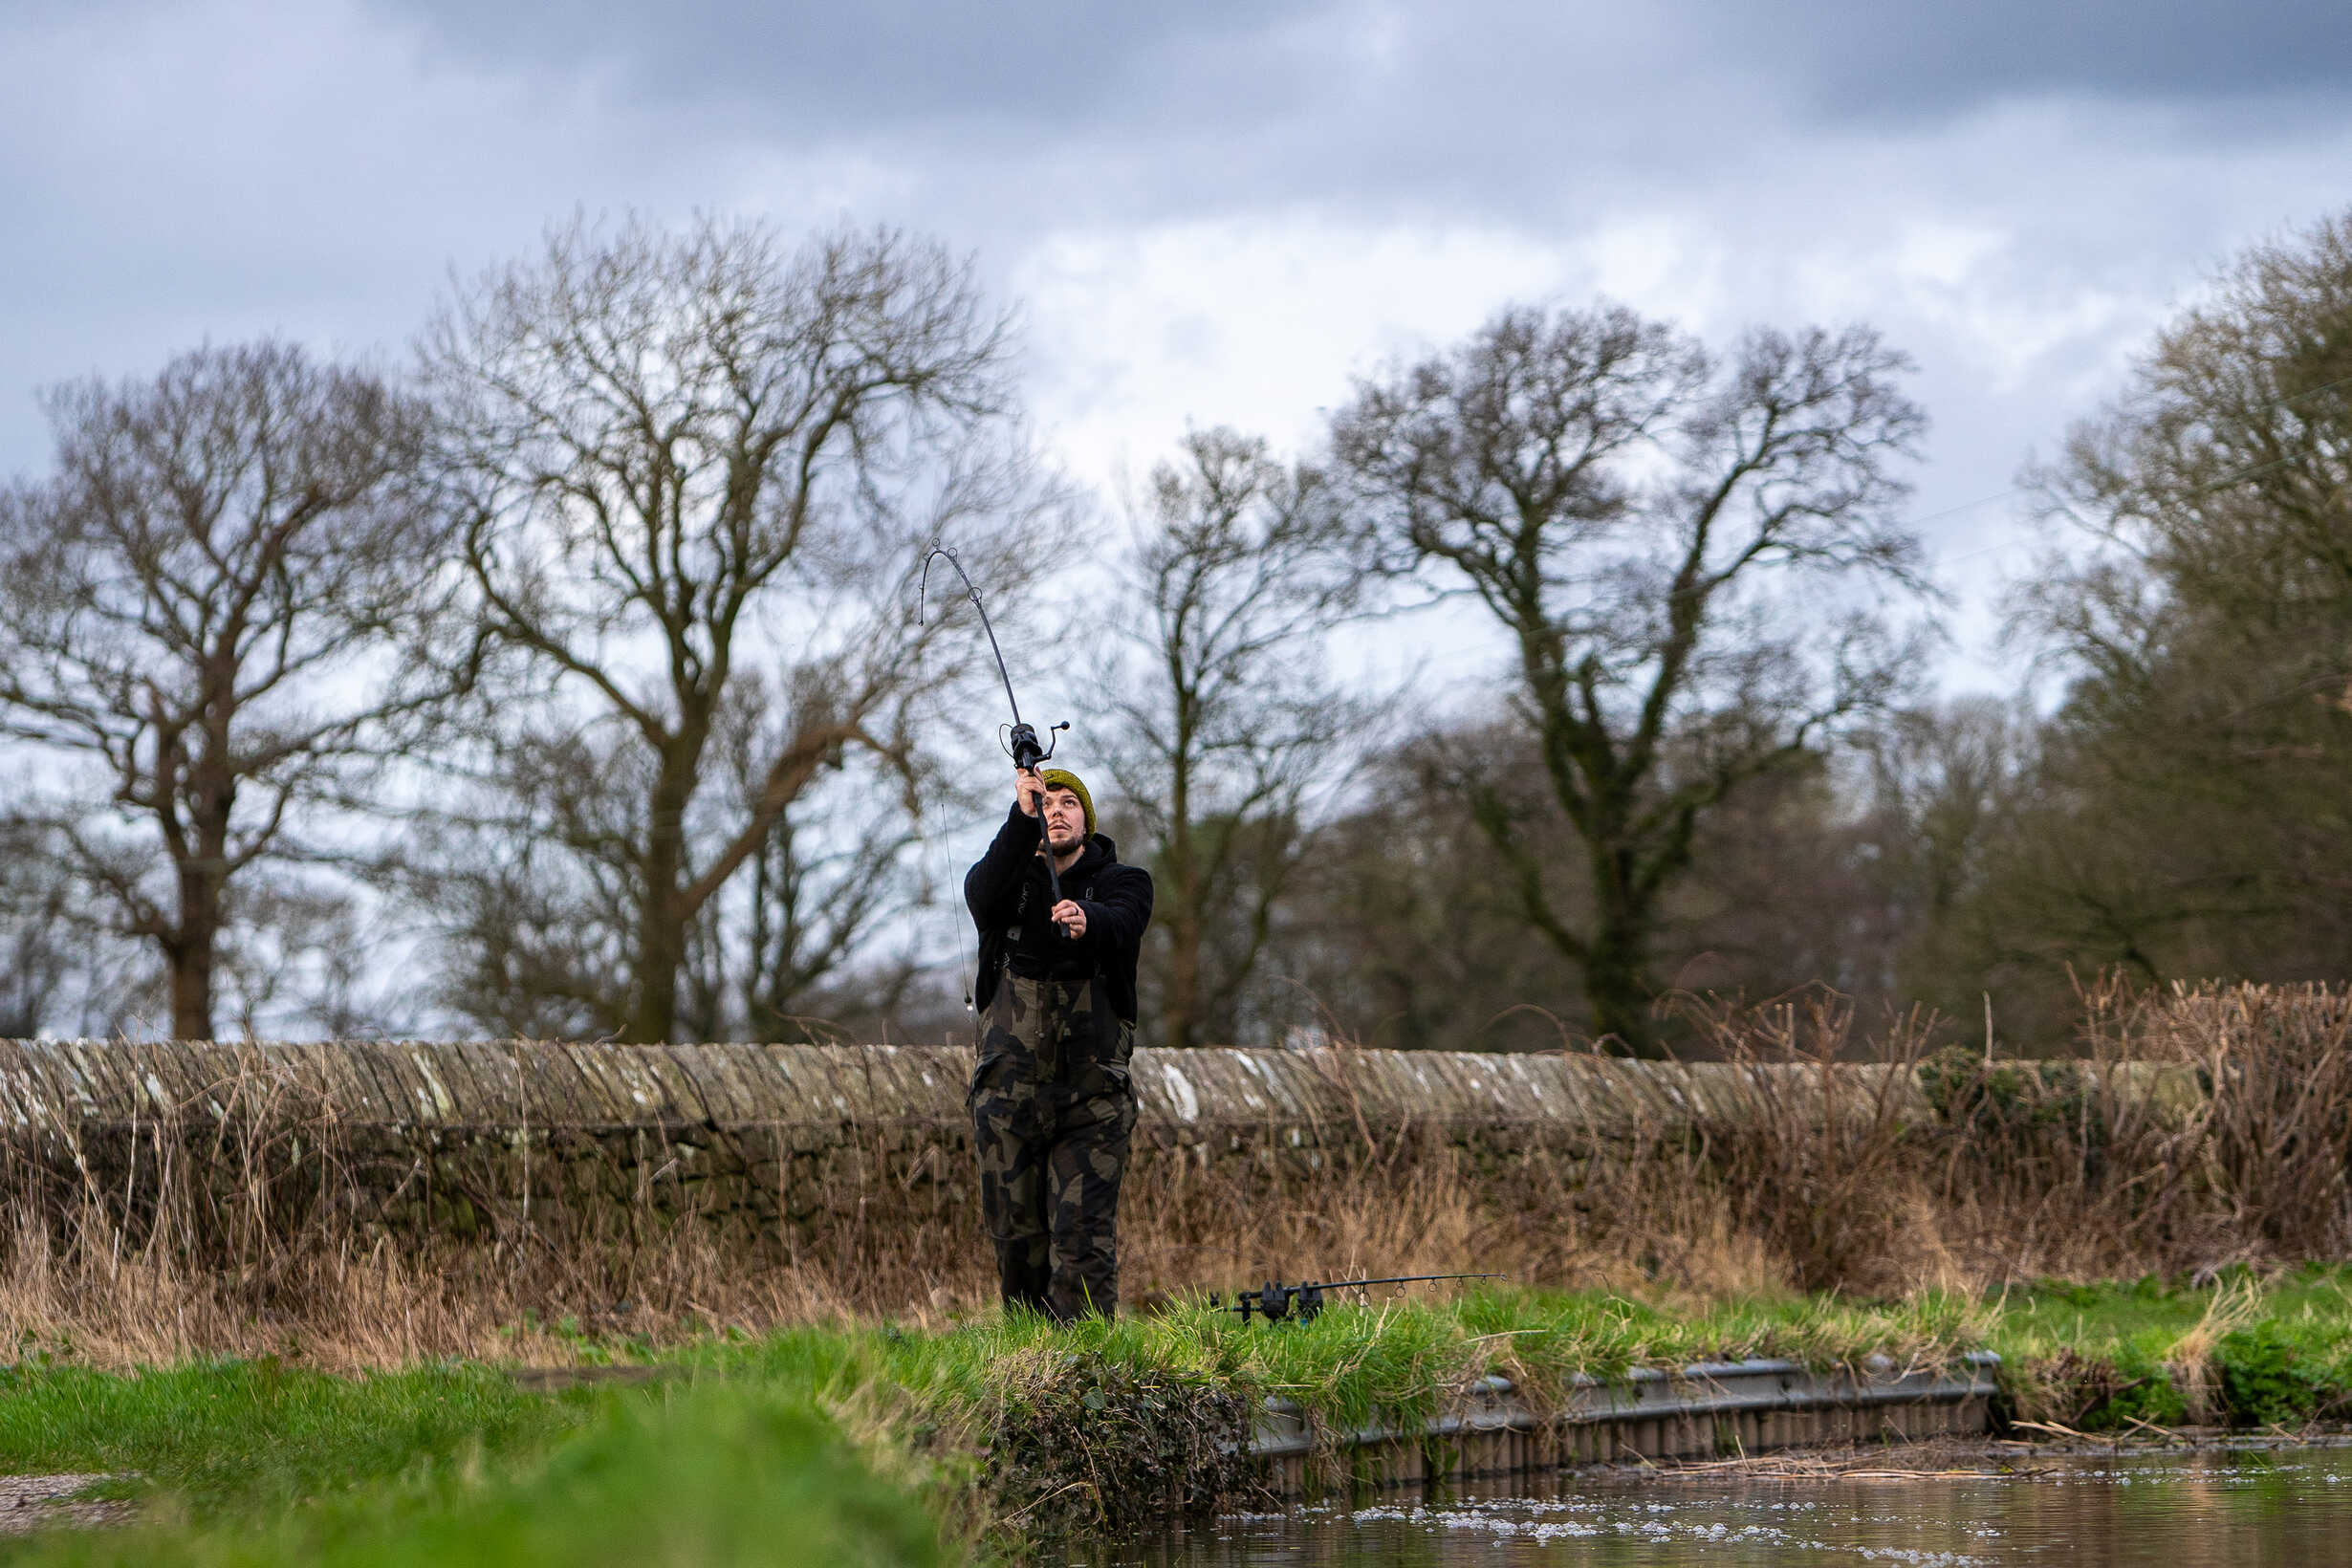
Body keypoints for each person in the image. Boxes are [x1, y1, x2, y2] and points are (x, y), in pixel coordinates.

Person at [963, 764, 1153, 1321]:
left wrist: (1085, 917)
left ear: (1086, 820)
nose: (1057, 811)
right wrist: (1020, 821)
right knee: (1016, 1240)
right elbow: (982, 893)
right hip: (1006, 1100)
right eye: (1047, 804)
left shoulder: (1124, 882)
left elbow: (1125, 921)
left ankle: (1087, 1370)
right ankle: (1028, 1369)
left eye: (1069, 803)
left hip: (1092, 1101)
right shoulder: (1006, 885)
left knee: (1083, 1241)